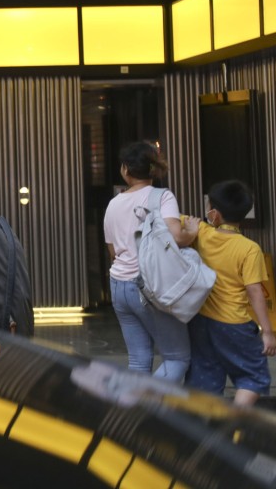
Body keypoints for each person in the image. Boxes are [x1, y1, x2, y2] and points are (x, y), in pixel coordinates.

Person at [103, 140, 197, 382]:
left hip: (119, 287)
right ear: (153, 169)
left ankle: (136, 413)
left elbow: (113, 251)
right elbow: (177, 237)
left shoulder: (114, 203)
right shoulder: (162, 196)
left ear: (125, 169)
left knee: (138, 358)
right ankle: (150, 404)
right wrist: (193, 231)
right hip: (150, 288)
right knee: (177, 358)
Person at [183, 180, 276, 406]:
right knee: (253, 377)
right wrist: (267, 332)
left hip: (200, 321)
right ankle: (233, 425)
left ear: (214, 213)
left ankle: (202, 433)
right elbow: (254, 291)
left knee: (204, 378)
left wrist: (191, 229)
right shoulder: (249, 248)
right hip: (234, 324)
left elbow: (169, 219)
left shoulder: (202, 234)